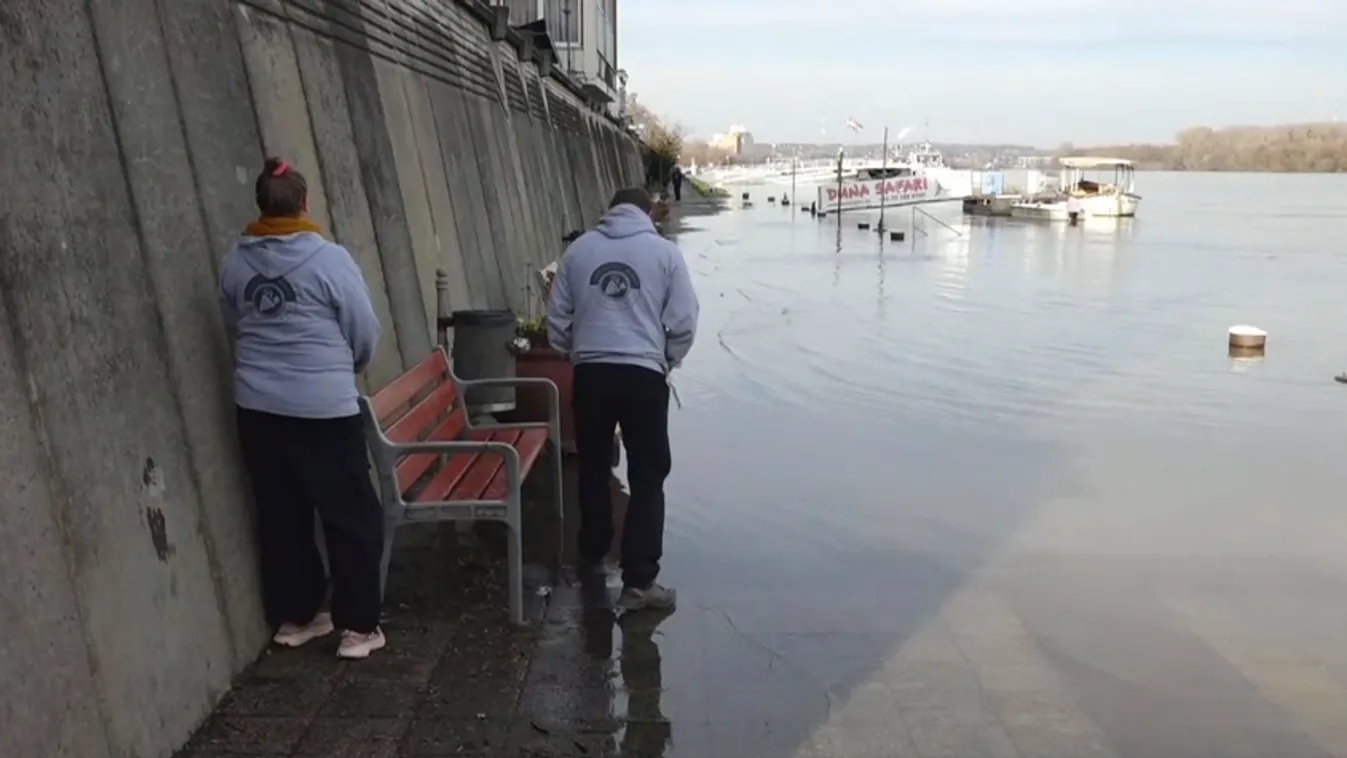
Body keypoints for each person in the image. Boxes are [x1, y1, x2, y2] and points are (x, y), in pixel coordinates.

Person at [219, 157, 387, 659]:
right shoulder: (329, 260)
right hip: (324, 411)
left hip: (258, 409)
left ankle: (297, 616)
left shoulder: (235, 262)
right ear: (304, 203)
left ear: (261, 205)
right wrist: (344, 368)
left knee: (281, 514)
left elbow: (236, 322)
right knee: (352, 516)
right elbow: (364, 330)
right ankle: (358, 627)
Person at [546, 187, 700, 611]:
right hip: (643, 375)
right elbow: (684, 319)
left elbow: (556, 318)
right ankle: (639, 580)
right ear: (648, 212)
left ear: (610, 210)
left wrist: (574, 353)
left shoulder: (579, 251)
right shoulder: (664, 254)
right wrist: (667, 360)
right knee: (648, 474)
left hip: (591, 373)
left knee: (594, 464)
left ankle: (592, 552)